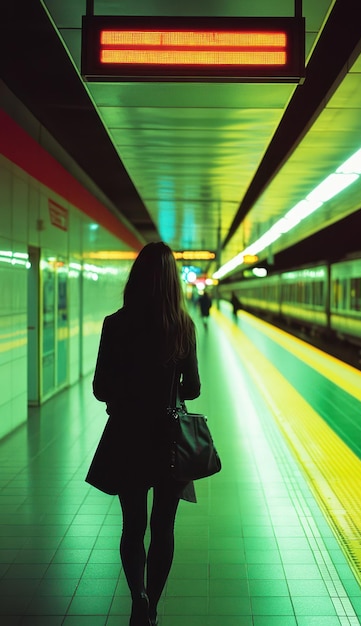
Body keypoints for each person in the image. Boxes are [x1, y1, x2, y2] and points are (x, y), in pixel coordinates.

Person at [85, 242, 201, 626]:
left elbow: (101, 388)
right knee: (163, 528)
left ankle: (138, 599)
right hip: (170, 440)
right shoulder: (183, 326)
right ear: (172, 283)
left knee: (132, 526)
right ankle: (152, 611)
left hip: (127, 437)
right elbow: (194, 388)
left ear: (135, 278)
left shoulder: (115, 323)